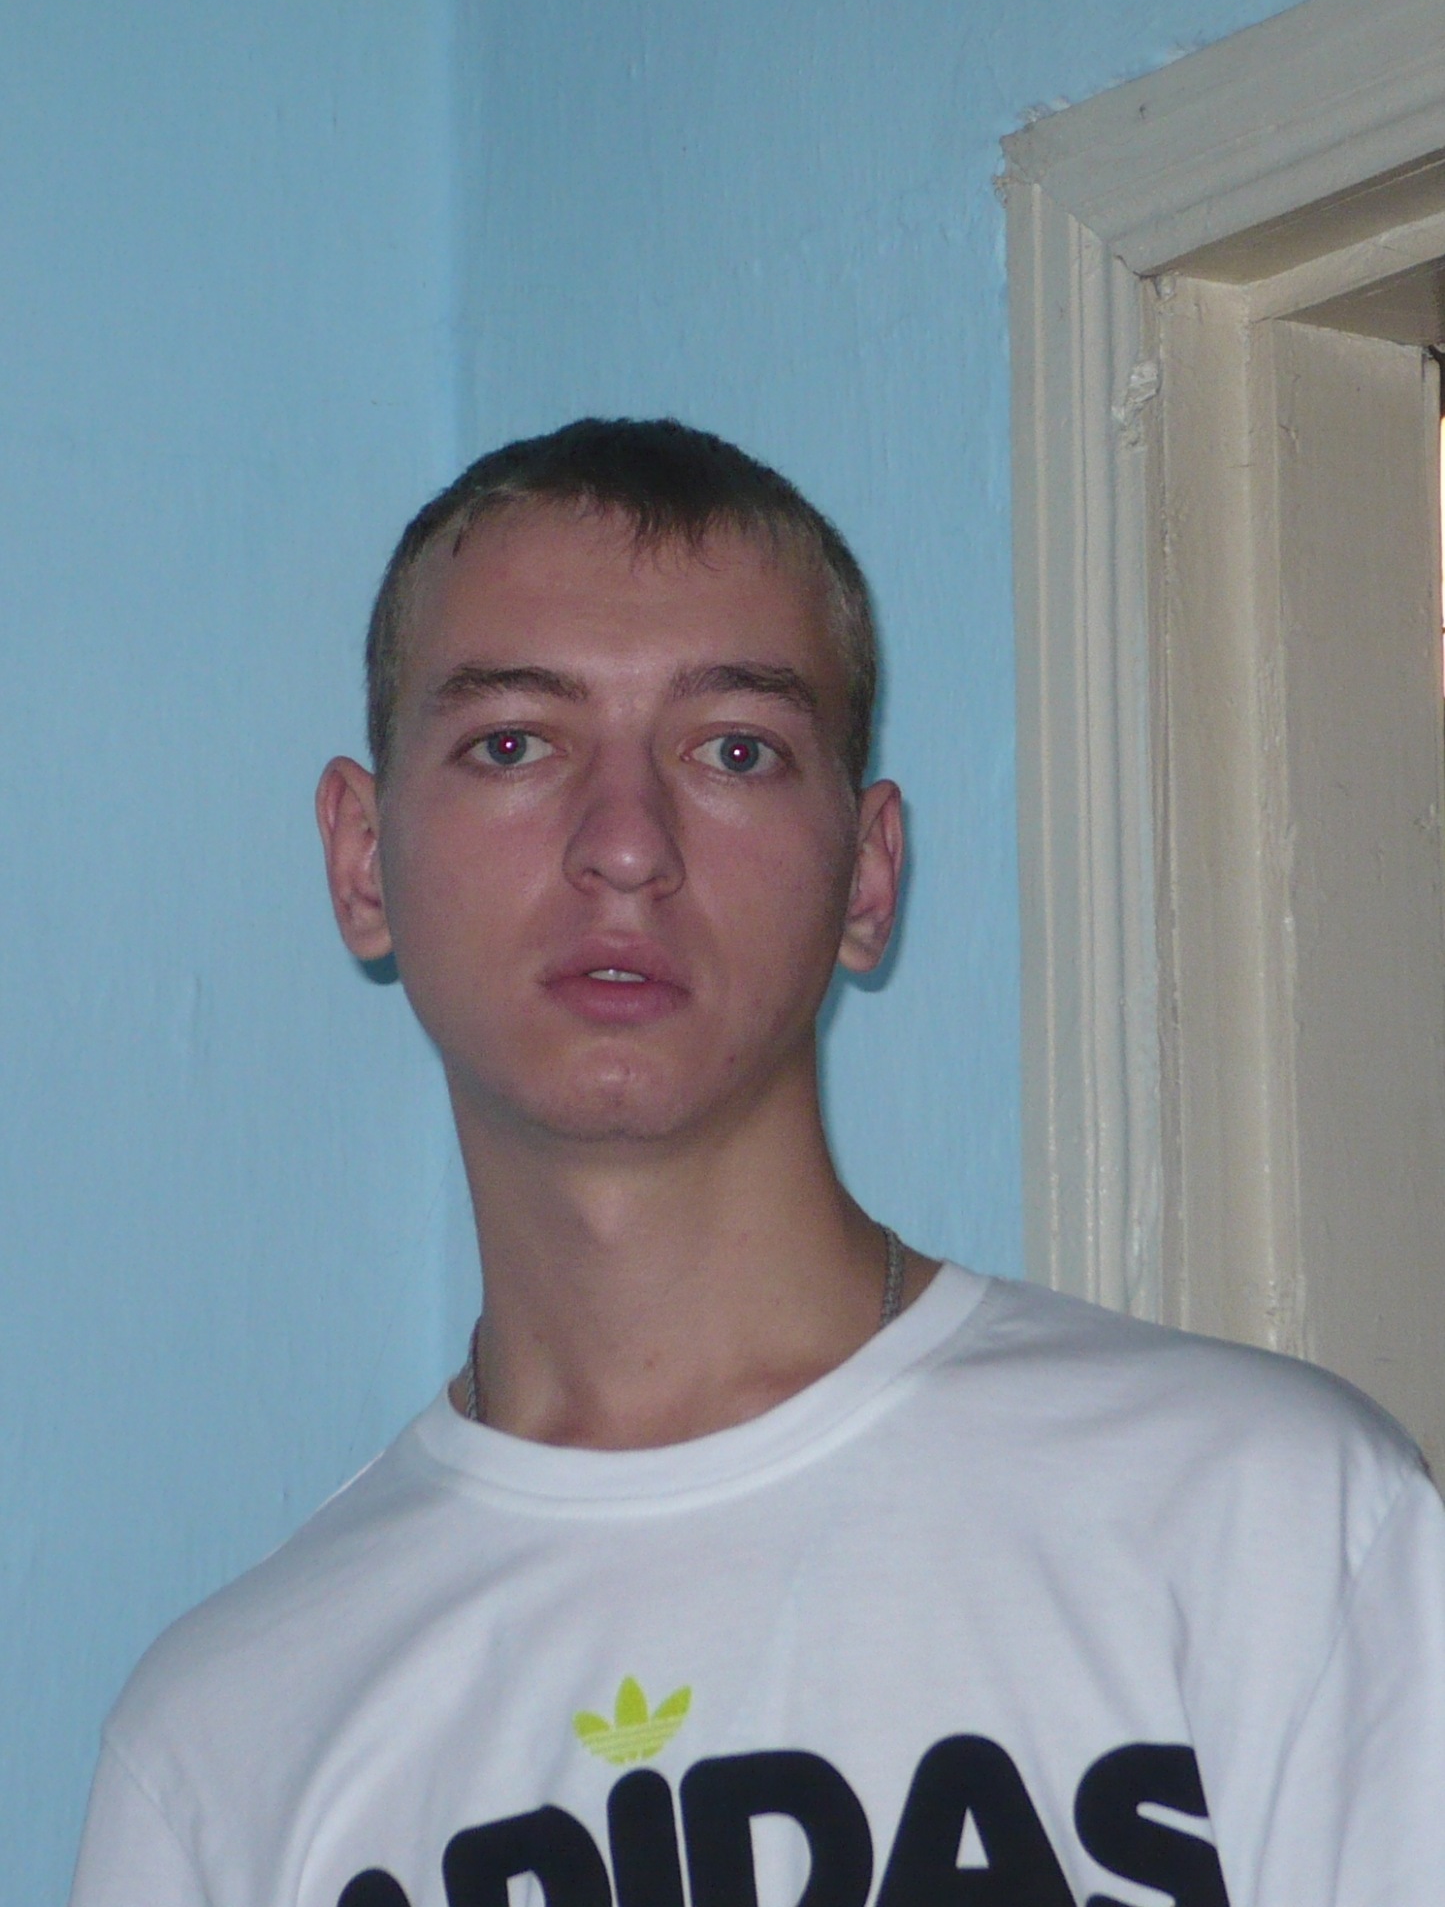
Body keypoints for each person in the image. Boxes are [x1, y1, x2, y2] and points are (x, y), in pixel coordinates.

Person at [70, 419, 1445, 1907]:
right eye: (512, 744)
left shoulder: (1268, 1523)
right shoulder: (227, 1750)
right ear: (360, 860)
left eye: (735, 750)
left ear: (866, 875)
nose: (624, 845)